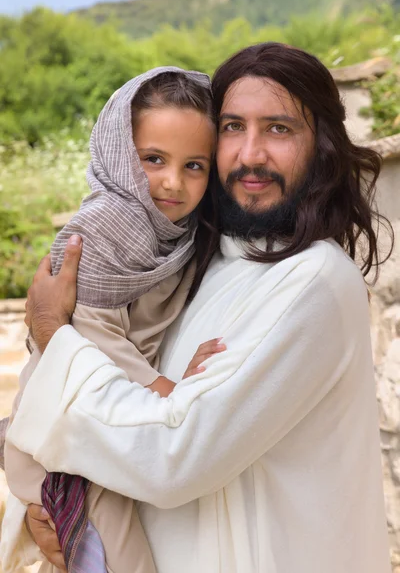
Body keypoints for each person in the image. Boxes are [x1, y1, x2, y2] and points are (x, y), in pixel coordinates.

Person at [5, 43, 394, 573]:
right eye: (233, 127)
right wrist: (56, 513)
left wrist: (54, 334)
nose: (251, 153)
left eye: (279, 129)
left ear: (321, 146)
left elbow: (172, 455)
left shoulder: (311, 281)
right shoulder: (199, 263)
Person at [1, 66, 223, 573]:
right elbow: (93, 337)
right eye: (153, 159)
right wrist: (167, 387)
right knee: (125, 559)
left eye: (195, 166)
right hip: (69, 423)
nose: (173, 182)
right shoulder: (103, 228)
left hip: (107, 417)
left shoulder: (183, 233)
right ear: (120, 156)